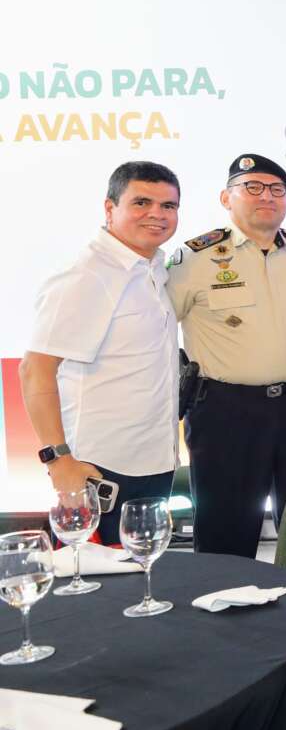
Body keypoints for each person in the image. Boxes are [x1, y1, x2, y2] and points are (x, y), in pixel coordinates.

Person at [167, 153, 286, 558]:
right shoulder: (194, 259)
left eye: (277, 189)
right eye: (253, 187)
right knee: (226, 533)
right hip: (225, 413)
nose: (267, 196)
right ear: (226, 198)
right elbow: (156, 335)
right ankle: (224, 601)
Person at [21, 161, 182, 547]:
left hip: (153, 462)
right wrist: (59, 460)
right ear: (110, 208)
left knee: (142, 572)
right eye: (141, 203)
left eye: (168, 206)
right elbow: (35, 370)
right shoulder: (86, 275)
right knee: (95, 579)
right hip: (98, 469)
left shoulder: (152, 268)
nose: (157, 214)